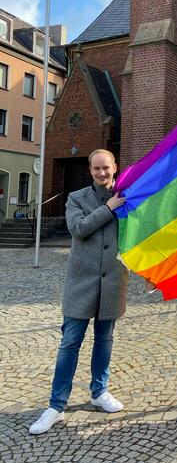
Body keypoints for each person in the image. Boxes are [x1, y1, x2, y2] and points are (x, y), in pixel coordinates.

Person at [29, 149, 128, 434]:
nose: (101, 173)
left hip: (112, 281)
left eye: (106, 168)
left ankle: (99, 392)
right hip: (81, 282)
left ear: (114, 167)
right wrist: (108, 208)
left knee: (104, 340)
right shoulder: (76, 198)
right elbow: (79, 228)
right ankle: (56, 406)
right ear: (90, 169)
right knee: (70, 343)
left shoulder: (127, 197)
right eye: (96, 168)